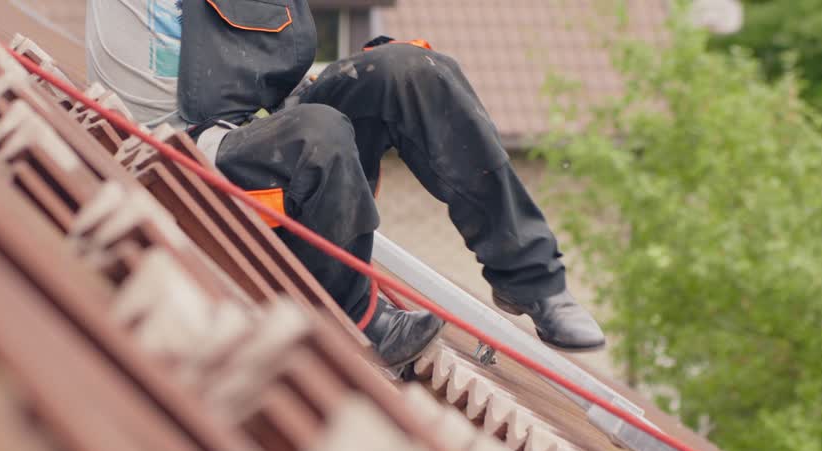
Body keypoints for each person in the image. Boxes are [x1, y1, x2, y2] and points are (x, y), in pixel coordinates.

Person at [86, 0, 606, 367]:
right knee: (317, 132)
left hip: (275, 137)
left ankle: (534, 281)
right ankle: (363, 315)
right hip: (186, 160)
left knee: (411, 69)